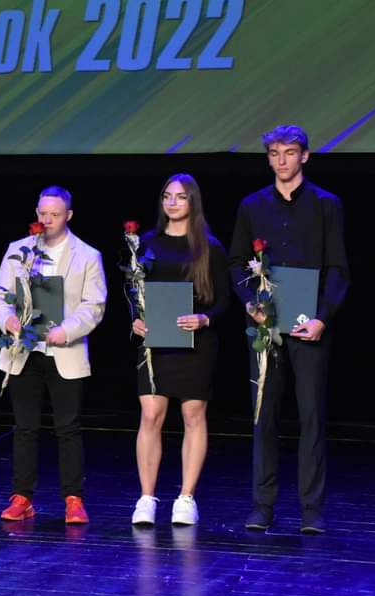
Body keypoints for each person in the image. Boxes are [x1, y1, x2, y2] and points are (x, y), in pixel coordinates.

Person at [229, 125, 349, 535]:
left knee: (311, 416)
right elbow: (237, 262)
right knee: (264, 415)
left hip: (308, 326)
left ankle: (311, 509)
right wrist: (250, 304)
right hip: (264, 326)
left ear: (305, 156)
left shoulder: (326, 204)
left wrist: (322, 318)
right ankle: (262, 505)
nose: (282, 160)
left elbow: (338, 267)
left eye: (290, 152)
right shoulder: (252, 205)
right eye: (274, 153)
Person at [0, 186, 106, 524]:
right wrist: (8, 319)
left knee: (67, 428)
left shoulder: (87, 255)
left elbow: (94, 305)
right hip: (24, 349)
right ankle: (22, 497)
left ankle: (73, 499)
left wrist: (65, 330)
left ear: (68, 215)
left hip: (64, 350)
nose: (47, 220)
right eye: (43, 213)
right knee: (25, 427)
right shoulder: (19, 249)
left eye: (55, 214)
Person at [129, 174, 230, 527]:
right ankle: (146, 498)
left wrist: (205, 319)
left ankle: (186, 498)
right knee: (151, 415)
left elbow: (224, 301)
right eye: (167, 196)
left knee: (193, 415)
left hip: (195, 343)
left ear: (193, 202)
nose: (172, 202)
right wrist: (135, 319)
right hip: (156, 341)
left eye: (181, 197)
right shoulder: (146, 243)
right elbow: (134, 291)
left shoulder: (210, 247)